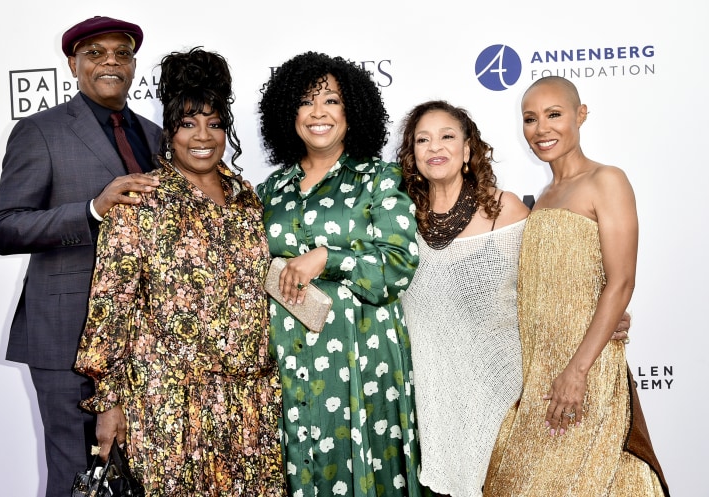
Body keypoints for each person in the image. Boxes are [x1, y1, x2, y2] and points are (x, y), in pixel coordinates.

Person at [74, 46, 286, 496]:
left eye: (214, 123)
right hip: (168, 406)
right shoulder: (141, 200)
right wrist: (109, 403)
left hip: (250, 404)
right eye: (188, 124)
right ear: (169, 132)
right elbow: (113, 306)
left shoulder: (247, 199)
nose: (202, 136)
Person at [0, 16, 161, 497]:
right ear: (73, 64)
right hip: (65, 338)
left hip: (142, 343)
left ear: (132, 65)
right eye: (95, 53)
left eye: (121, 53)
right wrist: (91, 209)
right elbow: (4, 228)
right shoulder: (39, 131)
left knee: (142, 476)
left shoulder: (157, 137)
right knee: (77, 477)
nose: (110, 61)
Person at [483, 76, 669, 496]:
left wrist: (577, 371)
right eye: (530, 119)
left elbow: (621, 282)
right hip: (537, 371)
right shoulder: (541, 198)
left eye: (554, 114)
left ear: (580, 115)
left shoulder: (607, 180)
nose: (541, 128)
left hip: (584, 368)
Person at [256, 51, 424, 496]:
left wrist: (327, 257)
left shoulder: (381, 179)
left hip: (361, 358)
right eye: (305, 102)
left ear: (352, 110)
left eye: (330, 101)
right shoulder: (270, 190)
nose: (317, 113)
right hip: (287, 361)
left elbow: (398, 265)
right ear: (287, 112)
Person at [396, 101, 529, 497]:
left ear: (468, 149)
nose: (435, 147)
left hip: (501, 395)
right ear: (412, 154)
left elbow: (545, 293)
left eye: (447, 136)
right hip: (433, 405)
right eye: (423, 139)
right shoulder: (399, 221)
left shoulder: (505, 211)